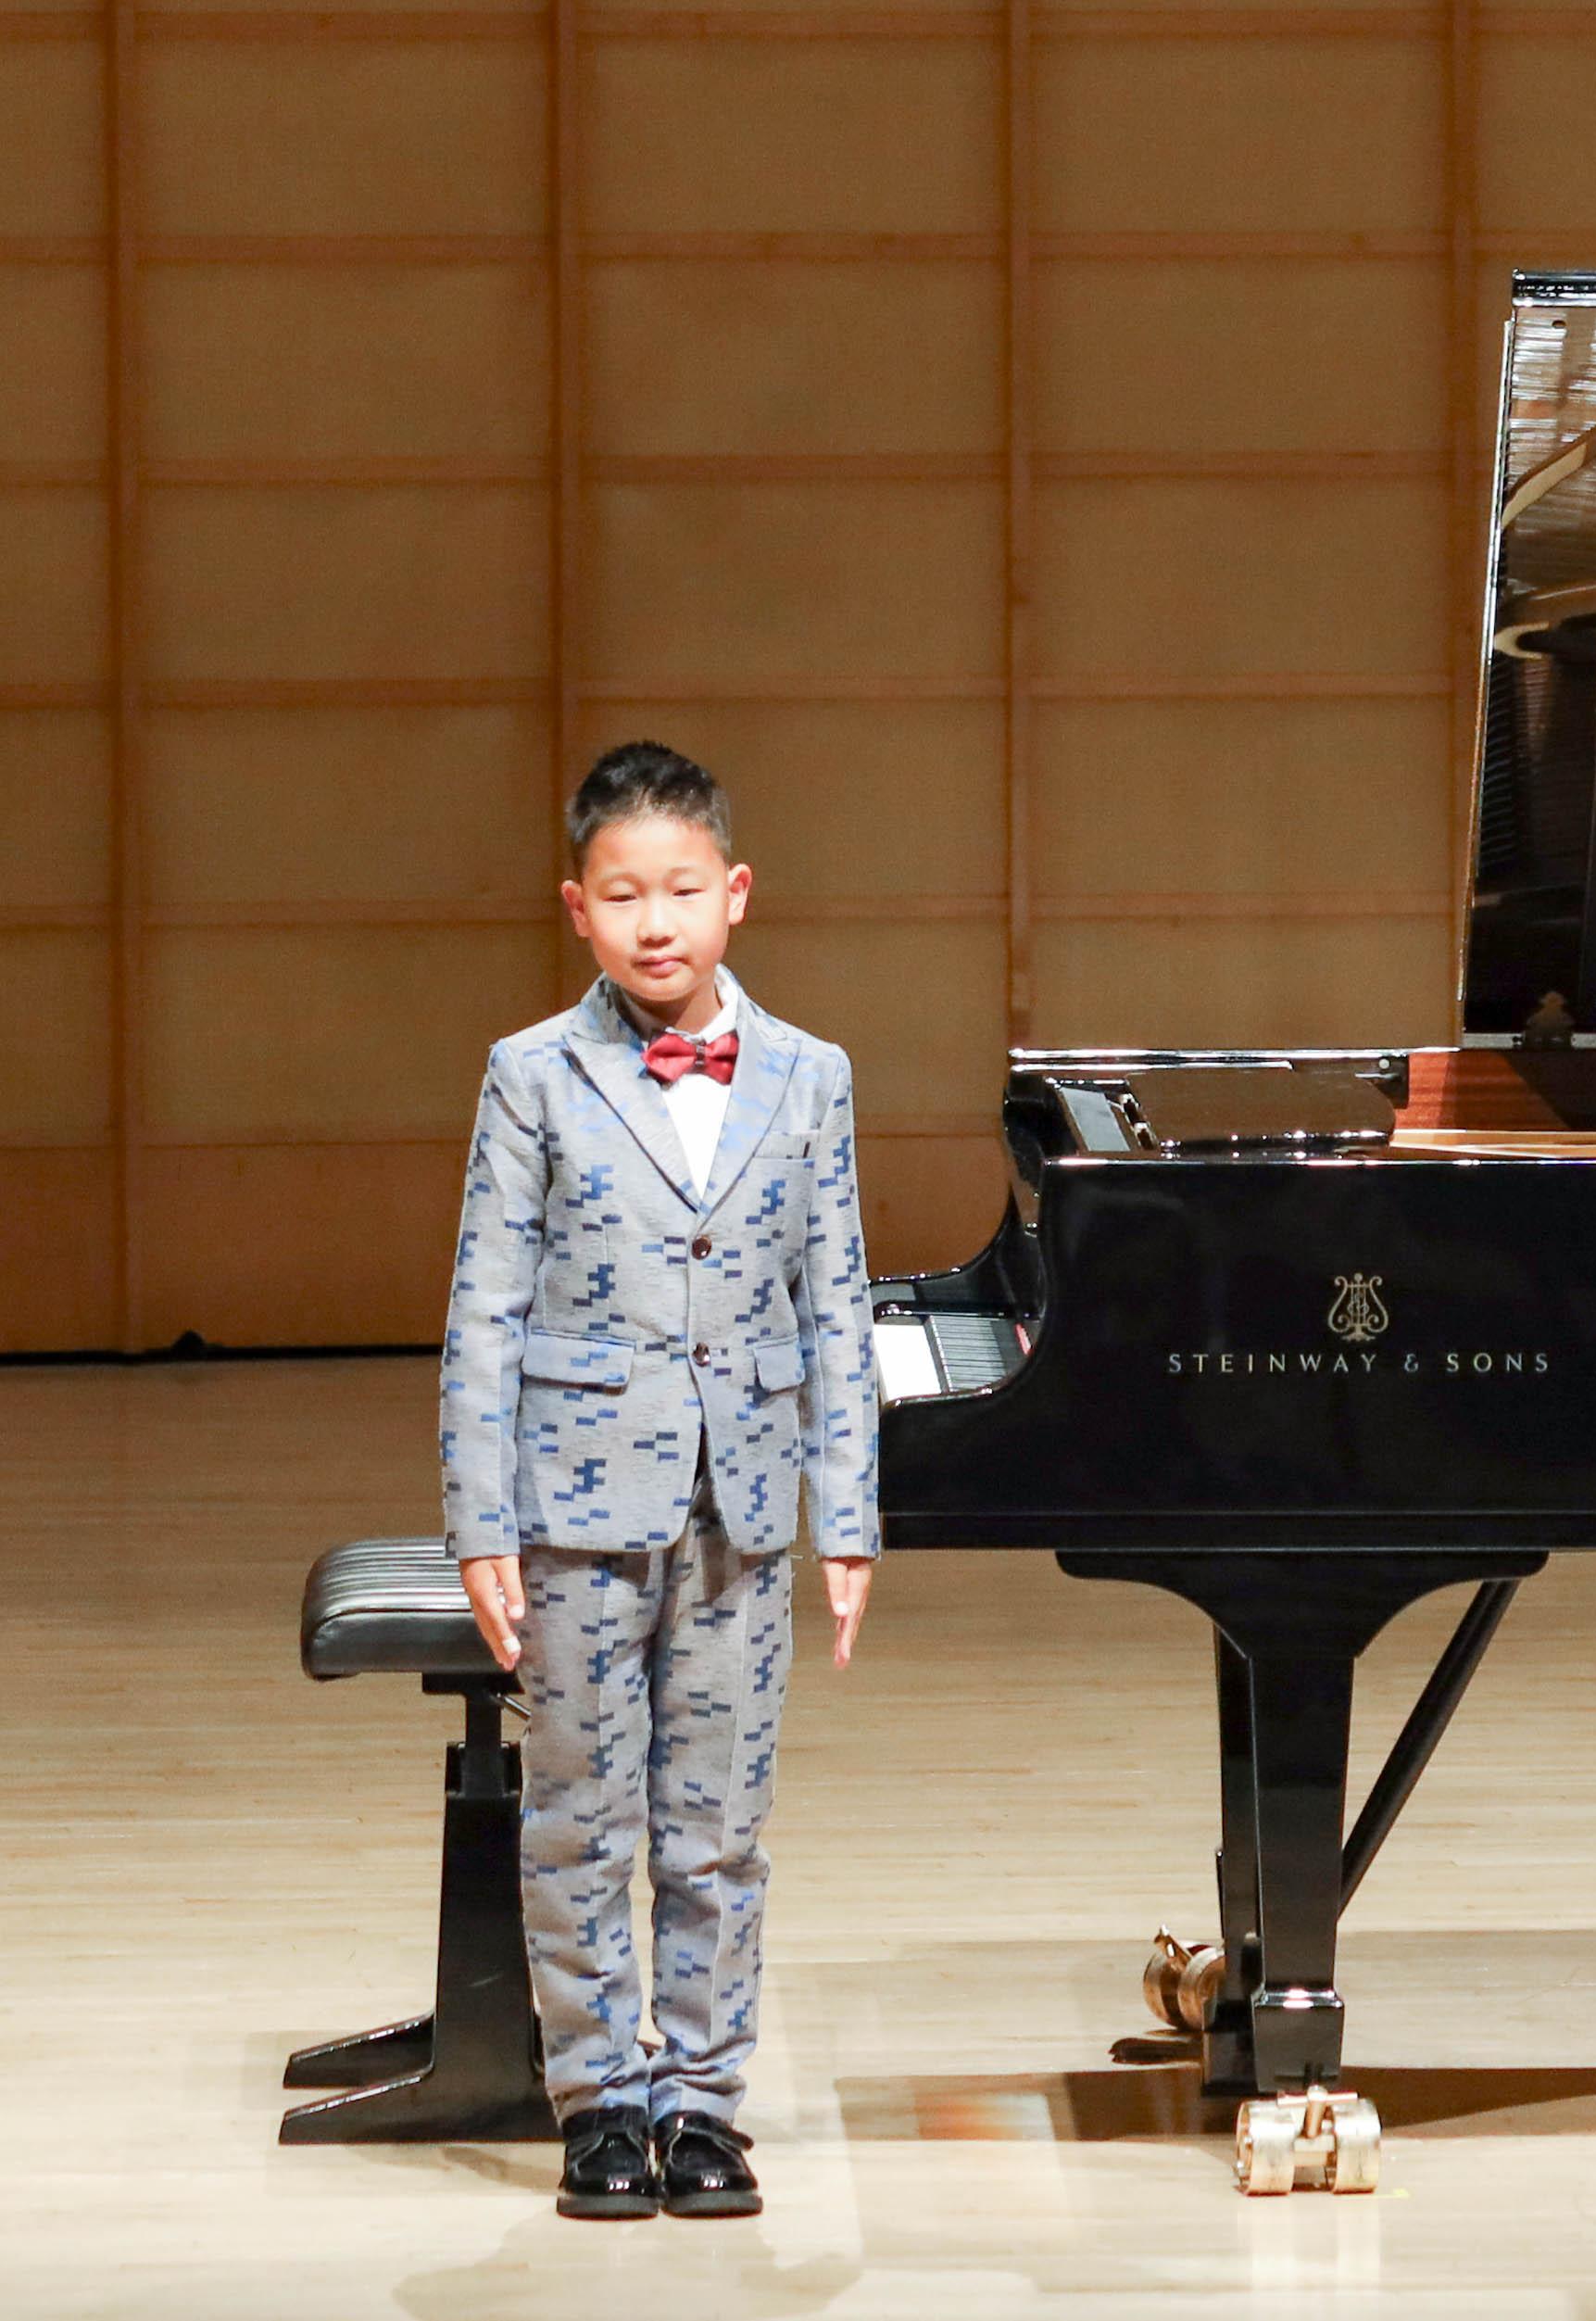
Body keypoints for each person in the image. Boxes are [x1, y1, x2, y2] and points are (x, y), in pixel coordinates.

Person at [440, 740, 879, 2221]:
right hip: (573, 1504)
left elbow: (838, 1302)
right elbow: (484, 1306)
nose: (655, 922)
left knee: (719, 1825)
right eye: (622, 894)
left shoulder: (810, 1075)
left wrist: (847, 1512)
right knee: (579, 1813)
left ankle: (701, 2098)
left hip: (741, 1506)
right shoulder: (532, 1073)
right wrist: (479, 1516)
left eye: (681, 889)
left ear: (734, 893)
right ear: (578, 907)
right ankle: (596, 2100)